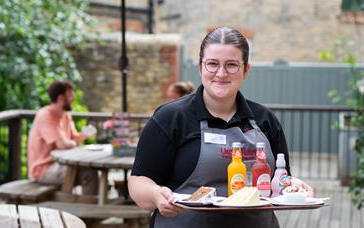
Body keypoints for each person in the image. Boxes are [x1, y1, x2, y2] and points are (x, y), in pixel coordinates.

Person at [128, 27, 313, 227]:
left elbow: (280, 181)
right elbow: (138, 182)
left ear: (246, 70)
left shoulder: (265, 120)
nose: (221, 73)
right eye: (212, 64)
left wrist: (293, 187)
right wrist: (156, 195)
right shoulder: (170, 118)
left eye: (232, 65)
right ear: (200, 68)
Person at [27, 80, 98, 194]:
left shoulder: (65, 115)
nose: (73, 98)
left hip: (62, 164)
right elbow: (62, 144)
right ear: (60, 98)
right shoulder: (45, 115)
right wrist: (72, 143)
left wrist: (85, 134)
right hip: (44, 169)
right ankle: (90, 208)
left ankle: (89, 206)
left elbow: (72, 140)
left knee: (91, 170)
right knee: (88, 173)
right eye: (70, 95)